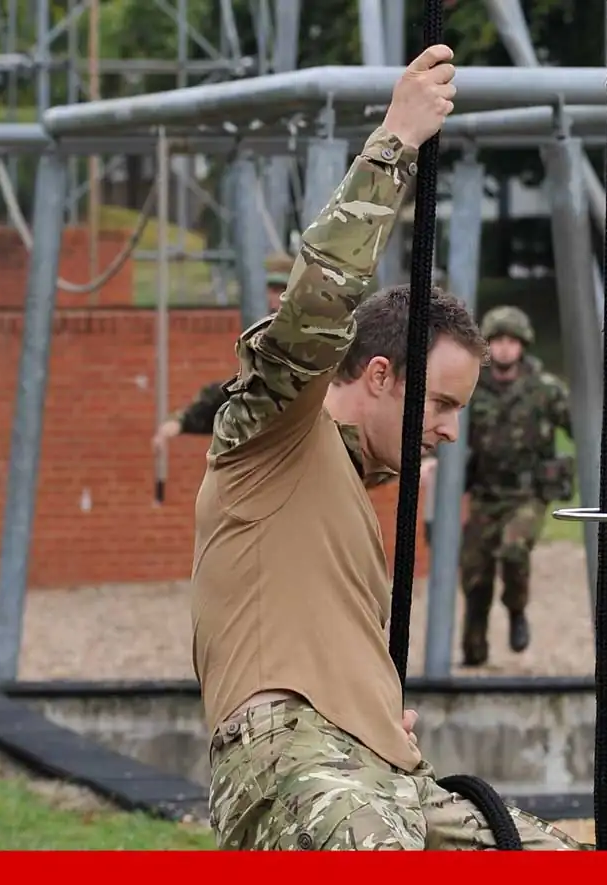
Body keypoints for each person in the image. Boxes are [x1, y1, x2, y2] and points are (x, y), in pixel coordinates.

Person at [192, 44, 585, 852]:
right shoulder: (271, 436)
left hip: (374, 765)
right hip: (294, 760)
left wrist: (372, 710)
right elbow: (317, 303)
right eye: (440, 403)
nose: (451, 428)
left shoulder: (343, 486)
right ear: (378, 374)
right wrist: (396, 141)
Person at [457, 305, 574, 668]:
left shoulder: (545, 390)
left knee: (513, 549)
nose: (504, 348)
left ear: (523, 345)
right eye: (497, 341)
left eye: (511, 341)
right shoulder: (470, 388)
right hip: (484, 493)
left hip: (527, 494)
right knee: (475, 576)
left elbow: (585, 427)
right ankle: (474, 652)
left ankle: (516, 609)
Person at [151, 251, 297, 449]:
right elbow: (243, 391)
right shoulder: (265, 338)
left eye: (283, 288)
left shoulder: (311, 334)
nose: (276, 297)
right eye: (272, 289)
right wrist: (184, 420)